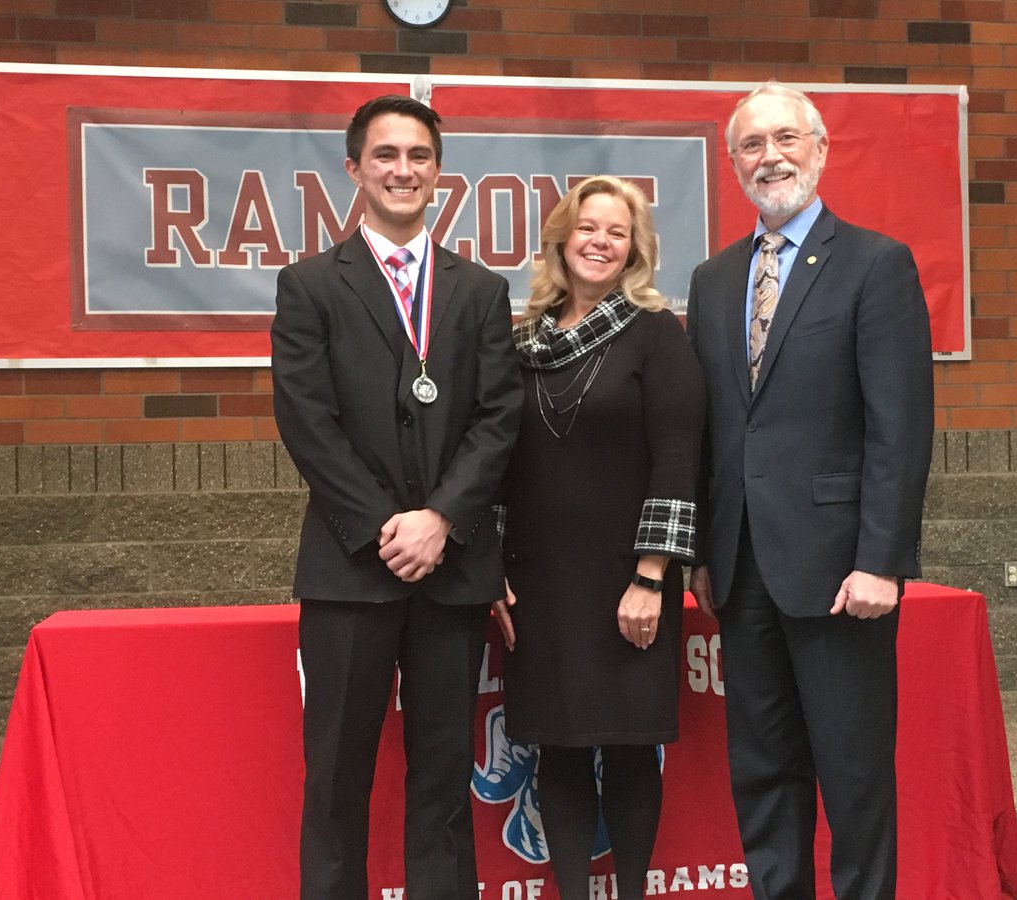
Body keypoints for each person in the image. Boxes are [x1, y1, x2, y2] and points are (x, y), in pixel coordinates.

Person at [685, 83, 934, 899]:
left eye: (786, 139)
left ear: (821, 150)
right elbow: (714, 429)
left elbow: (900, 427)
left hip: (839, 572)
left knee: (853, 776)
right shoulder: (713, 280)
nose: (771, 158)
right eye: (752, 145)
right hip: (741, 568)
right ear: (733, 164)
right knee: (763, 771)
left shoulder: (875, 263)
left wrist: (881, 561)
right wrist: (701, 552)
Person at [271, 95, 522, 900]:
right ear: (354, 169)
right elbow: (307, 422)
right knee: (336, 777)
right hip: (351, 570)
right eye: (386, 155)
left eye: (419, 156)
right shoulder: (310, 286)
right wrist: (390, 527)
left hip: (452, 571)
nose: (403, 170)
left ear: (438, 173)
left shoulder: (479, 290)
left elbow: (498, 418)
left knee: (443, 776)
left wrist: (441, 519)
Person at [493, 176, 705, 900]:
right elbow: (496, 463)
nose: (600, 242)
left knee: (627, 746)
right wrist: (492, 567)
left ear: (635, 250)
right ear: (562, 239)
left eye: (617, 232)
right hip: (539, 583)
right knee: (558, 747)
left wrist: (651, 577)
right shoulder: (519, 342)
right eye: (588, 228)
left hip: (627, 582)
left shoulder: (656, 334)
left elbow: (677, 459)